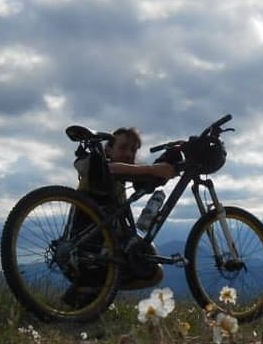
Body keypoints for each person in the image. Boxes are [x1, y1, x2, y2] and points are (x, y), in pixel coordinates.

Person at [63, 127, 182, 306]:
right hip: (83, 255)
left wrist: (163, 168)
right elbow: (110, 168)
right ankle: (91, 289)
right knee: (149, 266)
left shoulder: (119, 183)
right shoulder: (98, 170)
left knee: (153, 269)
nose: (129, 153)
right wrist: (153, 169)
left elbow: (132, 173)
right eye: (123, 147)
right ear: (108, 150)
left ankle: (89, 291)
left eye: (133, 150)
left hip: (92, 254)